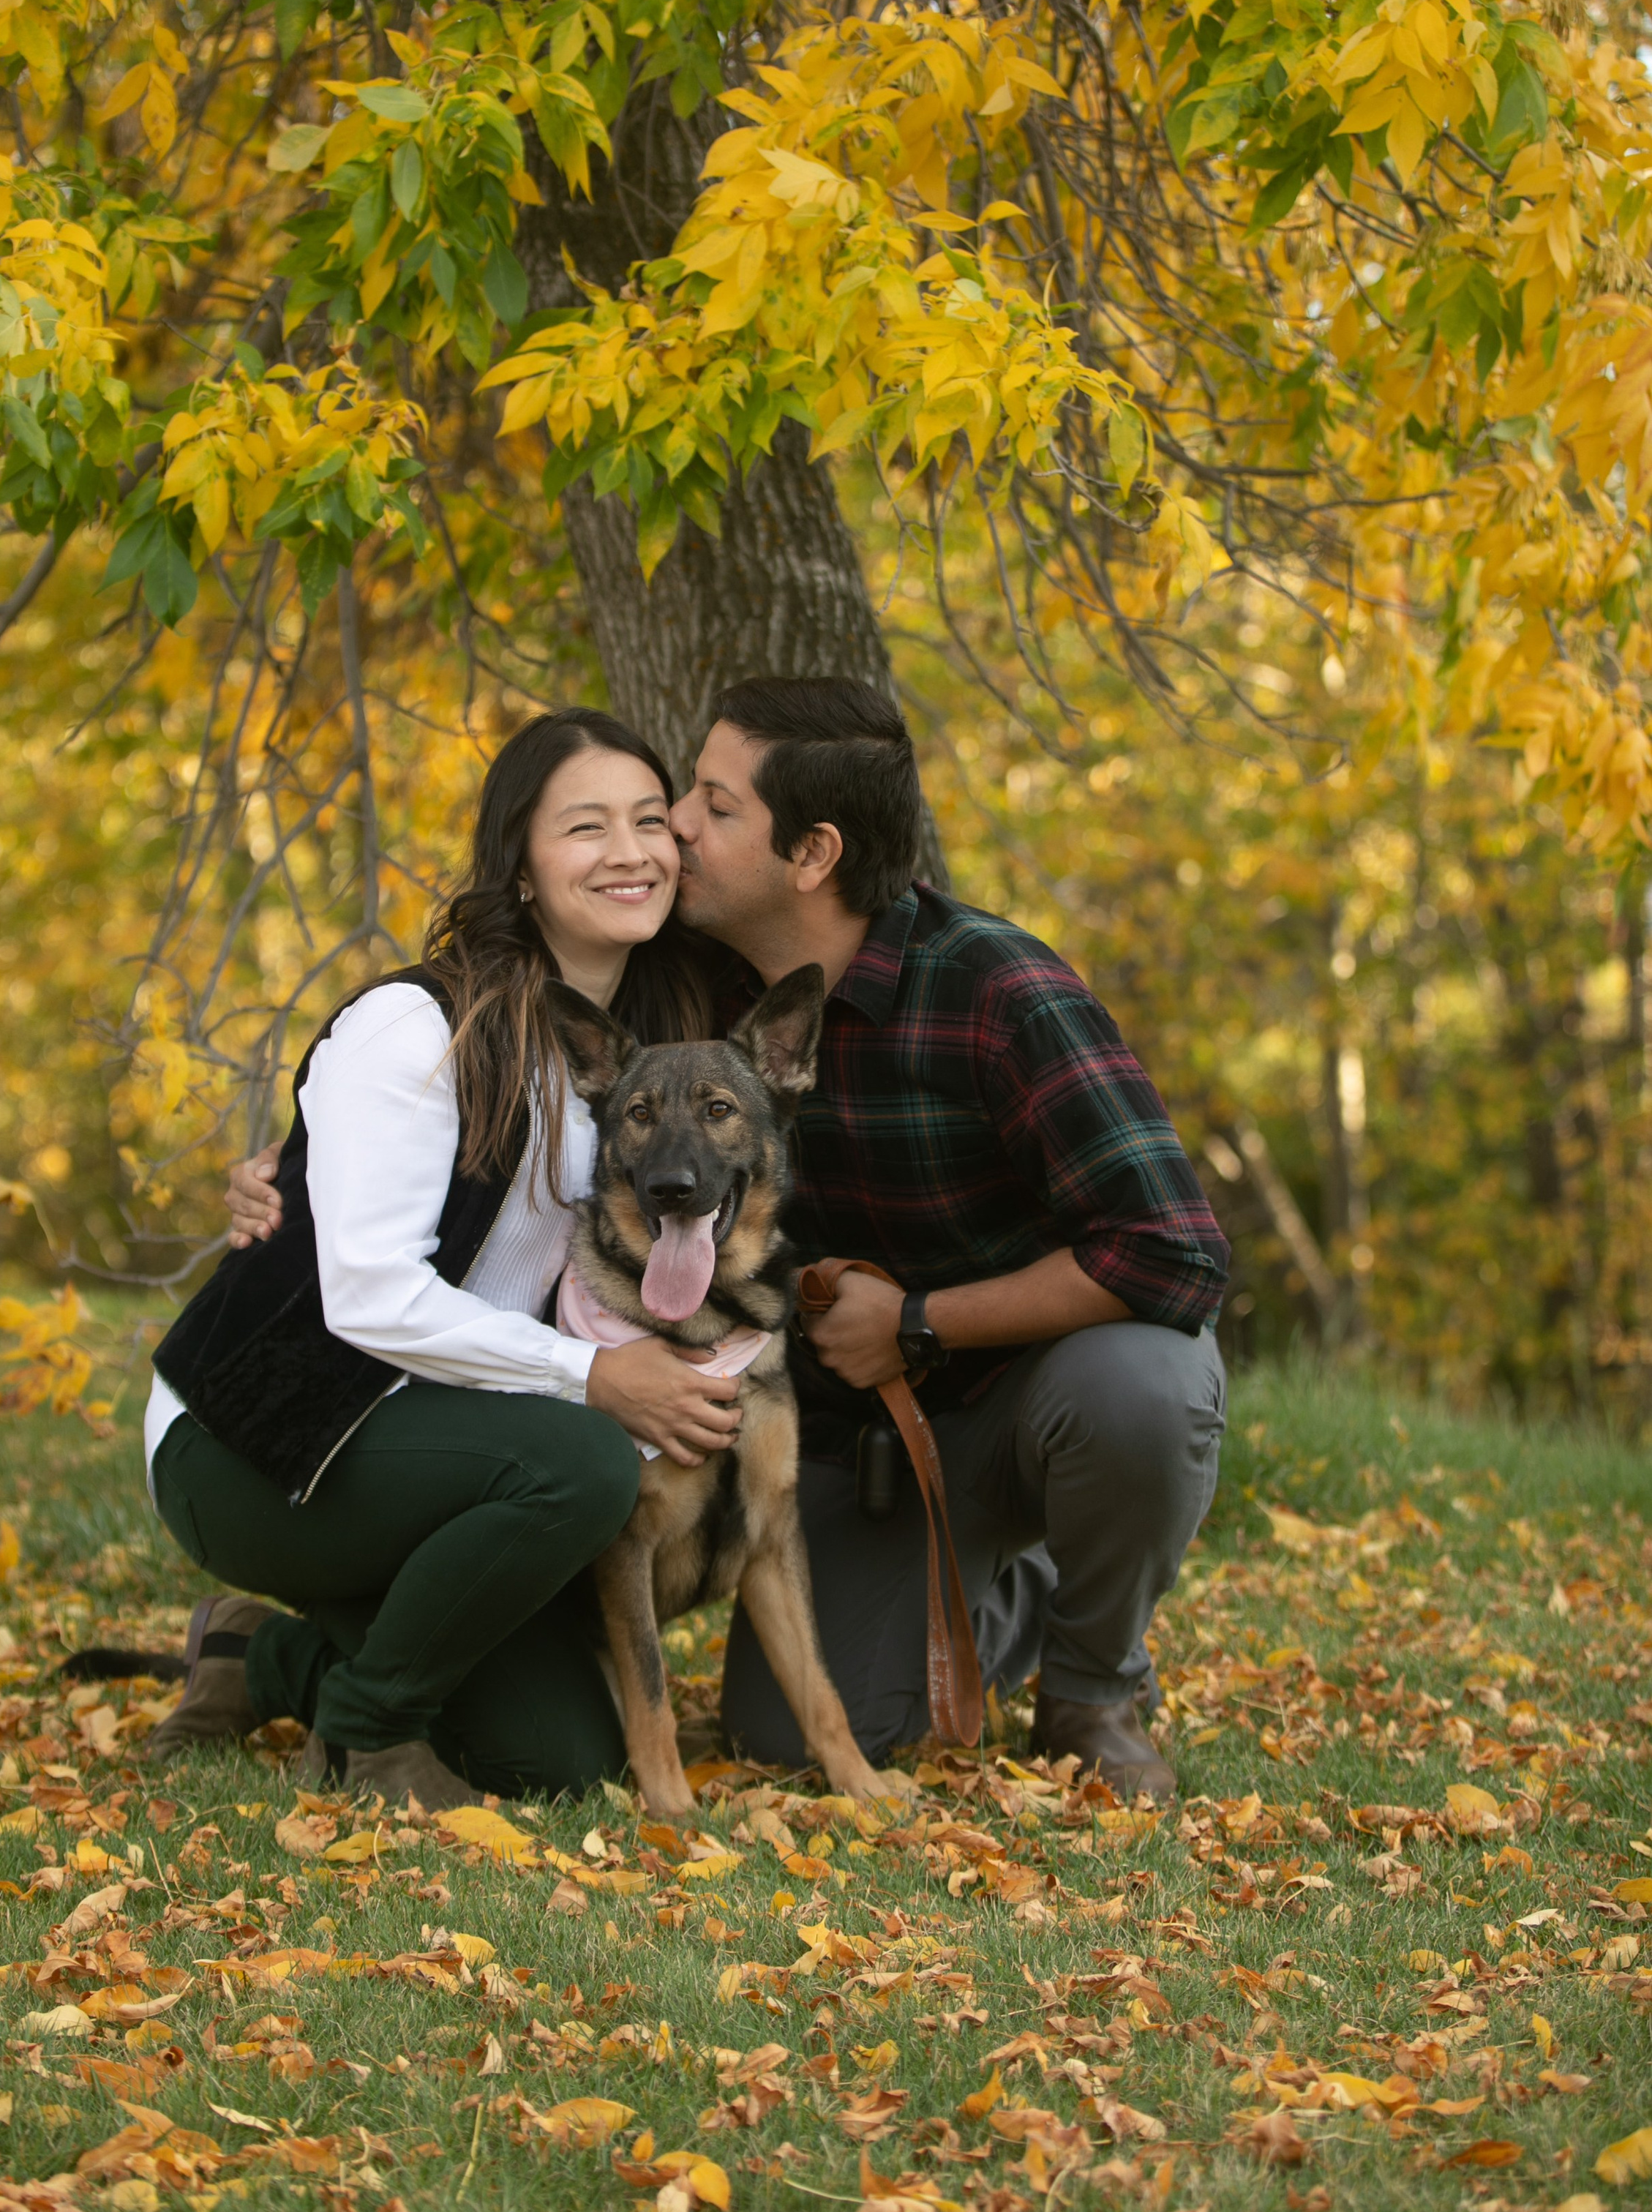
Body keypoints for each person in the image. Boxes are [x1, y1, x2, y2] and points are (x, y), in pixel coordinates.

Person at [228, 680, 1230, 1802]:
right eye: (667, 808)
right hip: (851, 1454)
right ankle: (979, 1593)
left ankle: (1094, 1685)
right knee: (765, 1737)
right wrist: (299, 1174)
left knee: (1150, 1377)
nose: (673, 835)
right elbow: (455, 1094)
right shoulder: (687, 993)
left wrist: (916, 1325)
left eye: (704, 806)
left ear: (811, 854)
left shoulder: (999, 991)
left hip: (1016, 1406)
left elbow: (1177, 1254)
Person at [143, 708, 737, 1806]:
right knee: (586, 1463)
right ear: (518, 866)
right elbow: (369, 1294)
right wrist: (594, 1379)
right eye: (585, 828)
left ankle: (255, 1660)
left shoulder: (656, 1041)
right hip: (267, 1437)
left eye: (651, 821)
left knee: (556, 1760)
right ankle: (368, 1736)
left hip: (455, 1441)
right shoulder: (421, 1029)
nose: (629, 852)